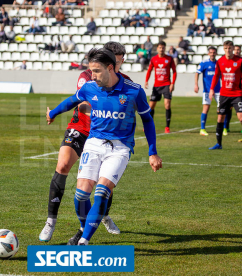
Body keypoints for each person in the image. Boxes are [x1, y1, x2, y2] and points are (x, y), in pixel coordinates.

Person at [45, 47, 162, 246]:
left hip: (120, 148)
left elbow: (148, 120)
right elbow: (72, 101)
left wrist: (153, 152)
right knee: (81, 194)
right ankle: (85, 226)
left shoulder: (134, 90)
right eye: (91, 71)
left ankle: (84, 241)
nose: (93, 75)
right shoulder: (90, 88)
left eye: (97, 71)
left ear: (110, 68)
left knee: (101, 192)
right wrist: (53, 113)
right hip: (94, 143)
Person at [39, 42, 132, 244]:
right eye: (114, 58)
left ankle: (102, 216)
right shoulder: (88, 76)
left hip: (108, 138)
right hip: (81, 129)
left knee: (104, 183)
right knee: (62, 165)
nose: (117, 62)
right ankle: (50, 221)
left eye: (120, 59)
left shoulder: (126, 82)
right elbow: (81, 106)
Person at [208, 40, 242, 151]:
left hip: (237, 94)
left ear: (233, 49)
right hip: (224, 94)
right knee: (220, 118)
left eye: (230, 48)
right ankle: (218, 143)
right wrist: (211, 89)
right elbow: (216, 76)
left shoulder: (240, 61)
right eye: (226, 48)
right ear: (223, 49)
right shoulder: (220, 61)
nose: (228, 50)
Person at [145, 41, 177, 133]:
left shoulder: (169, 59)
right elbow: (149, 70)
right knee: (151, 106)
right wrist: (146, 80)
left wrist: (172, 83)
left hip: (167, 84)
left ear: (165, 48)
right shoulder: (154, 59)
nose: (161, 49)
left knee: (167, 105)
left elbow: (174, 71)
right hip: (157, 86)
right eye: (160, 47)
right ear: (157, 48)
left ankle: (167, 127)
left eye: (163, 47)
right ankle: (149, 125)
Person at [194, 46, 220, 136]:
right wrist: (196, 85)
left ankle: (222, 128)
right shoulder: (204, 63)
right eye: (211, 52)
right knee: (206, 108)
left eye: (214, 52)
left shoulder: (219, 63)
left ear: (216, 53)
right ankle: (202, 129)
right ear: (208, 53)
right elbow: (197, 73)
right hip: (207, 90)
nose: (212, 54)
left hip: (218, 90)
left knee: (222, 109)